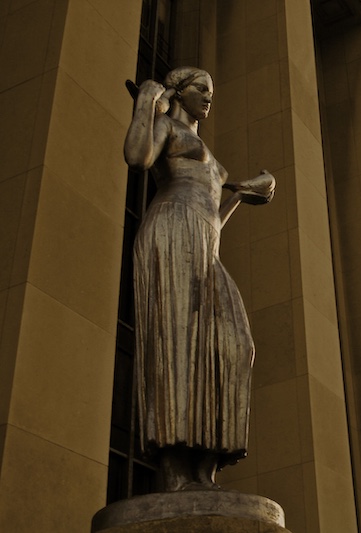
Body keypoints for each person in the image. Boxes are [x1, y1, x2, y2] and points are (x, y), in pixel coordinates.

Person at [124, 66, 275, 491]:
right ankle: (175, 471)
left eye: (212, 90)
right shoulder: (165, 126)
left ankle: (205, 468)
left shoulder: (204, 147)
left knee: (233, 346)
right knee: (175, 344)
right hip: (170, 231)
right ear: (181, 91)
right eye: (202, 89)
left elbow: (214, 218)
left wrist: (243, 194)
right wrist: (145, 105)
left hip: (205, 244)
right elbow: (137, 157)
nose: (209, 97)